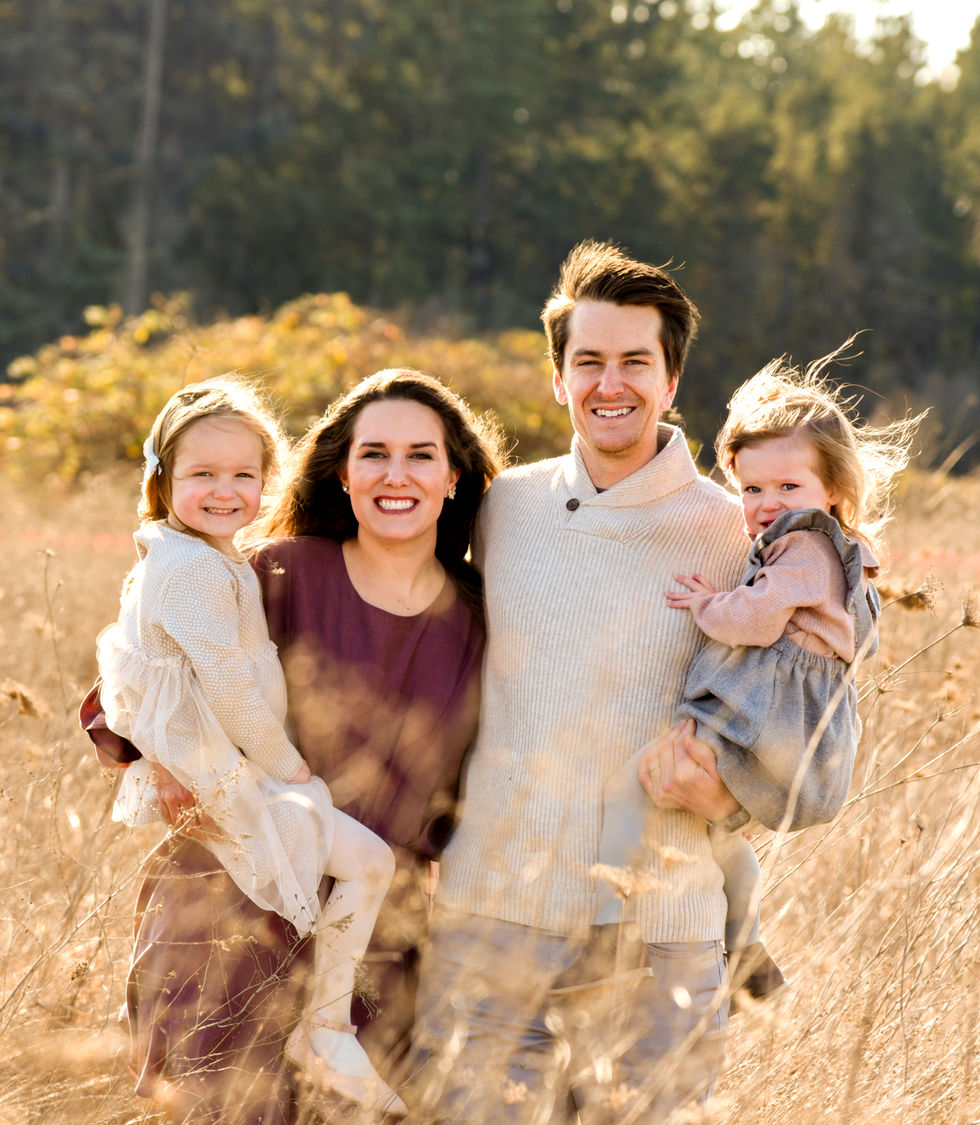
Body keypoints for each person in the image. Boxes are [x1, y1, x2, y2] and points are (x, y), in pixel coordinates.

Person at [83, 368, 501, 1124]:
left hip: (371, 943)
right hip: (229, 911)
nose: (396, 475)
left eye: (420, 455)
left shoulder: (482, 619)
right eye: (373, 454)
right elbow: (132, 684)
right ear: (342, 472)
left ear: (454, 477)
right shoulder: (274, 572)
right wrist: (162, 761)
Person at [410, 240, 758, 1123]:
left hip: (658, 932)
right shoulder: (502, 507)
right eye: (589, 361)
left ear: (672, 381)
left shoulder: (735, 532)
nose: (611, 384)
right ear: (559, 380)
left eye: (636, 362)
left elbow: (805, 719)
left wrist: (735, 790)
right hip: (491, 919)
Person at [600, 343, 920, 1004]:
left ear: (833, 490)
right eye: (751, 488)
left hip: (762, 716)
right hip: (784, 724)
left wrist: (707, 604)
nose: (767, 502)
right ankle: (745, 945)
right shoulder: (835, 551)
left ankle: (613, 935)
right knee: (716, 830)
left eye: (788, 487)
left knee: (633, 785)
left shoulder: (806, 545)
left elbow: (756, 618)